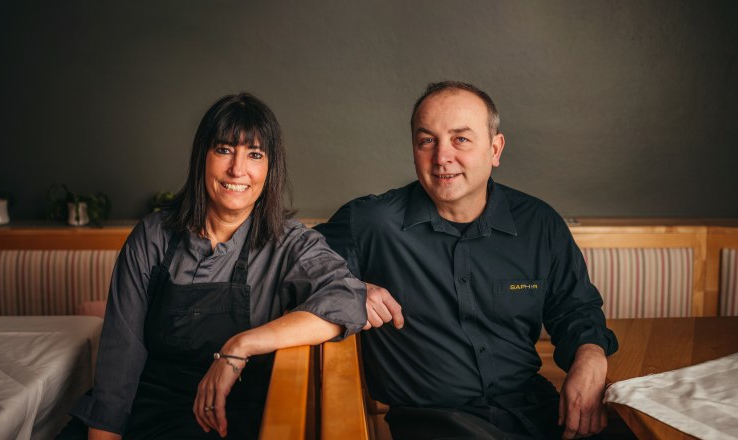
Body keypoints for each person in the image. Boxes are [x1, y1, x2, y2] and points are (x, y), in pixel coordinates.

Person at [315, 81, 619, 440]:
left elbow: (575, 309)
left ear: (495, 149)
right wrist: (345, 287)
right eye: (427, 140)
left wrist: (590, 356)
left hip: (536, 411)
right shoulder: (372, 222)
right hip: (435, 423)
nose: (441, 157)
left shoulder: (539, 223)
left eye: (460, 139)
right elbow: (289, 265)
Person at [60, 93, 366, 440]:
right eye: (224, 150)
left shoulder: (288, 242)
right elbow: (121, 354)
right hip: (143, 408)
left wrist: (240, 346)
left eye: (254, 154)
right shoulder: (153, 236)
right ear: (202, 158)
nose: (238, 169)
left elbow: (347, 299)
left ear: (270, 168)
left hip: (227, 419)